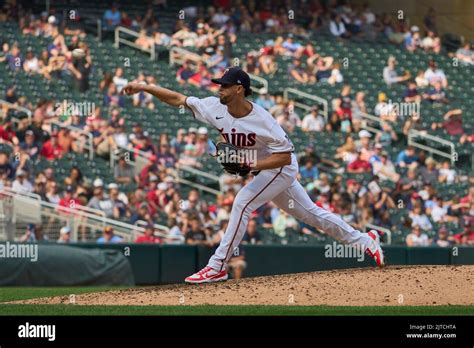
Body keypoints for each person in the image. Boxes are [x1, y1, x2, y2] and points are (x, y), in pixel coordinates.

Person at [121, 66, 385, 284]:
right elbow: (178, 99)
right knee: (312, 214)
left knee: (243, 202)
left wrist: (250, 166)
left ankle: (218, 266)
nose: (219, 88)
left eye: (224, 85)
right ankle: (366, 240)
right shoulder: (214, 107)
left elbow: (285, 156)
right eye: (219, 84)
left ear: (239, 89)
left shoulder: (264, 120)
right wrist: (145, 87)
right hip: (266, 168)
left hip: (281, 167)